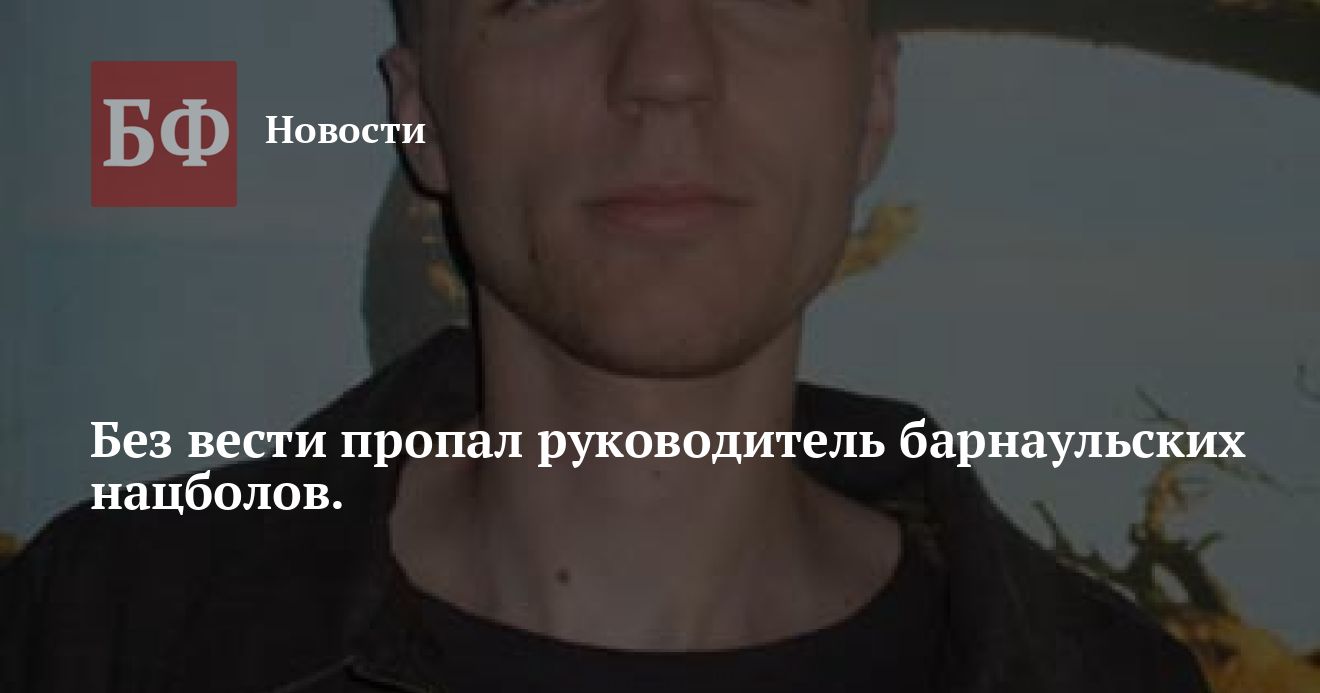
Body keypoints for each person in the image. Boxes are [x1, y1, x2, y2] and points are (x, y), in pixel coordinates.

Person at [1, 0, 1210, 691]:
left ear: (873, 105)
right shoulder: (101, 641)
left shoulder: (1116, 682)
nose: (667, 69)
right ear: (421, 112)